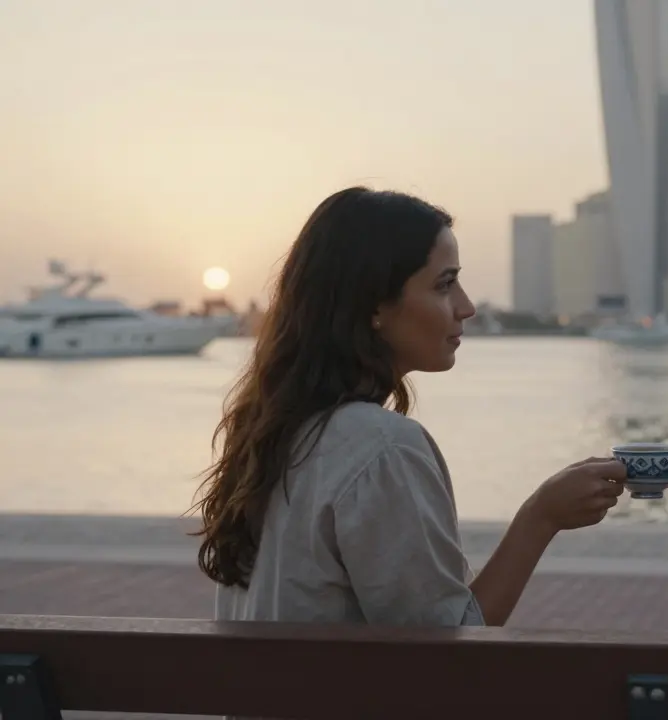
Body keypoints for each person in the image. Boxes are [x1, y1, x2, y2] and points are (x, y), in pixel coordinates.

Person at [194, 187, 626, 628]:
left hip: (265, 695)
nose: (466, 307)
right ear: (374, 307)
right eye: (444, 284)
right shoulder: (381, 448)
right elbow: (447, 649)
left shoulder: (273, 431)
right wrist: (541, 516)